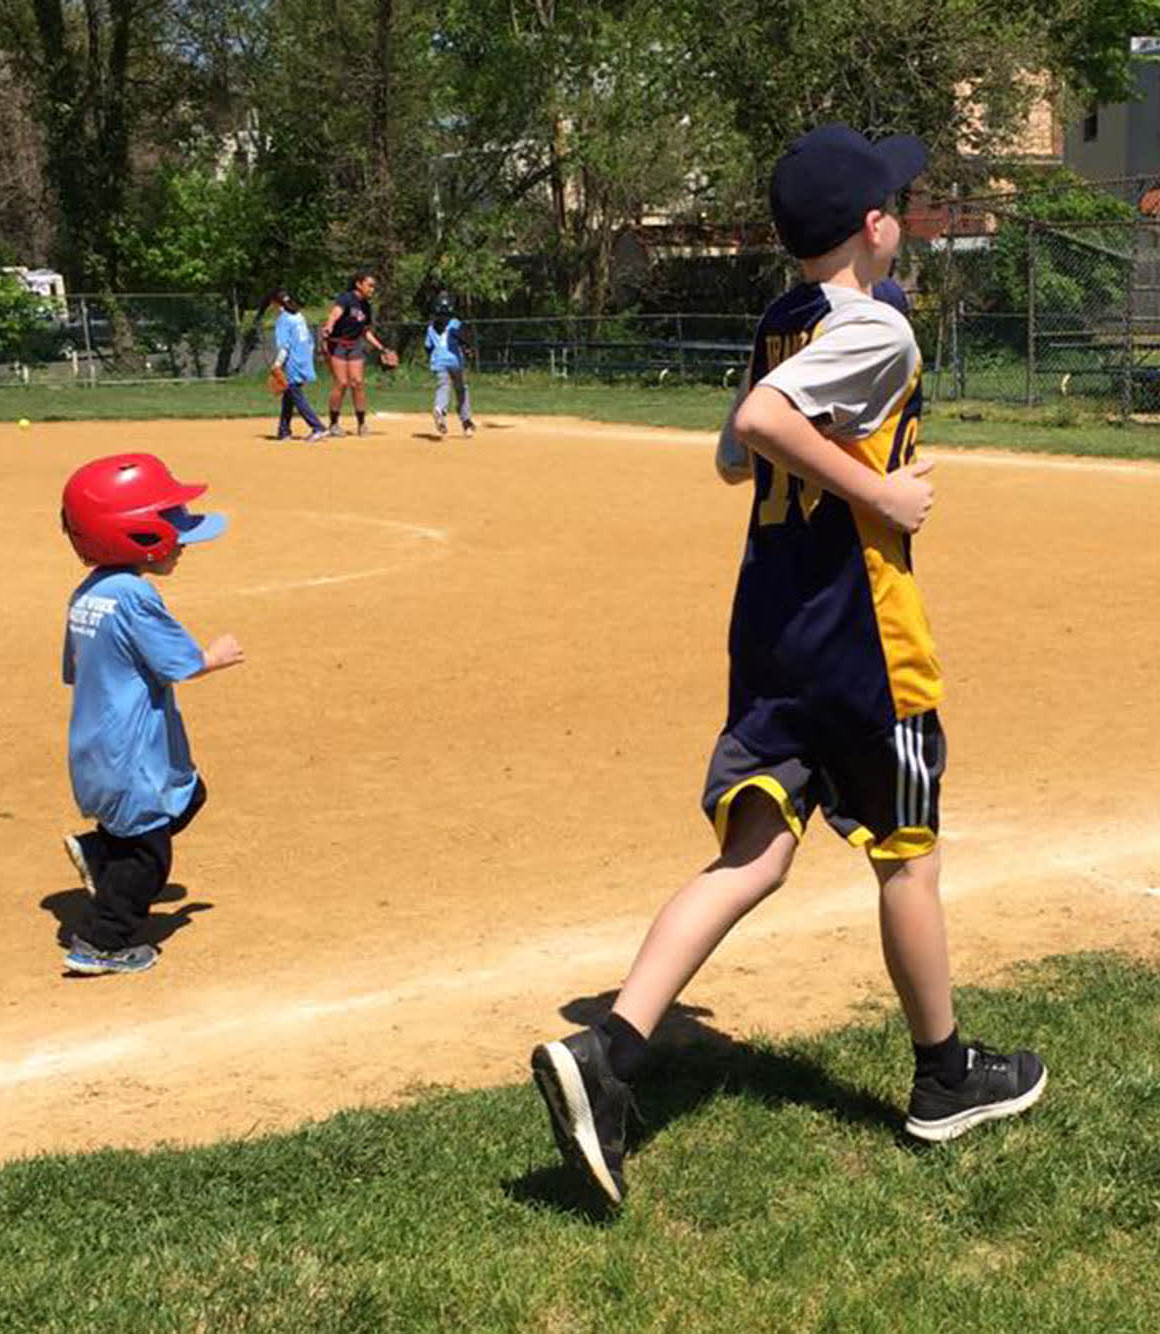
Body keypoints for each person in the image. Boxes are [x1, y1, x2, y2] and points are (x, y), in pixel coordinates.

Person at [529, 124, 1047, 1207]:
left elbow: (732, 452)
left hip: (769, 624)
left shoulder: (781, 322)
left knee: (753, 856)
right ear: (871, 227)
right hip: (859, 636)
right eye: (897, 202)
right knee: (906, 856)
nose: (904, 215)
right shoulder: (878, 328)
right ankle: (945, 1074)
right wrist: (879, 491)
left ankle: (608, 1056)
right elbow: (763, 422)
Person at [58, 454, 244, 976]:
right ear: (134, 533)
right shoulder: (137, 595)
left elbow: (76, 668)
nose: (180, 540)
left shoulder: (88, 593)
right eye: (169, 525)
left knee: (189, 795)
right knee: (150, 857)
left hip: (94, 745)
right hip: (131, 754)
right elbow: (179, 663)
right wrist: (216, 655)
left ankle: (99, 854)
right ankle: (102, 941)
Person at [320, 272, 398, 436]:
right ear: (359, 284)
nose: (372, 289)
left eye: (373, 286)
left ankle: (362, 424)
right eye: (370, 285)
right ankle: (333, 424)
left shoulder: (366, 306)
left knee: (357, 382)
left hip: (354, 344)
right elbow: (335, 313)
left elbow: (365, 331)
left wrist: (381, 348)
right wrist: (329, 325)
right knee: (341, 383)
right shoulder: (346, 298)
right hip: (337, 343)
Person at [270, 291, 328, 442]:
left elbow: (284, 346)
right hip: (304, 358)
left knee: (295, 394)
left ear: (276, 304)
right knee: (288, 395)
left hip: (293, 361)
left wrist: (277, 364)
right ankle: (284, 431)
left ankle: (317, 427)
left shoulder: (284, 319)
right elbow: (309, 341)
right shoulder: (299, 316)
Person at [424, 295, 474, 436]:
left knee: (443, 386)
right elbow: (466, 338)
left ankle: (440, 408)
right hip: (455, 361)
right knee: (461, 389)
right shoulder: (455, 323)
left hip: (438, 362)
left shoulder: (431, 327)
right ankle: (466, 421)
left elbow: (428, 346)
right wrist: (469, 348)